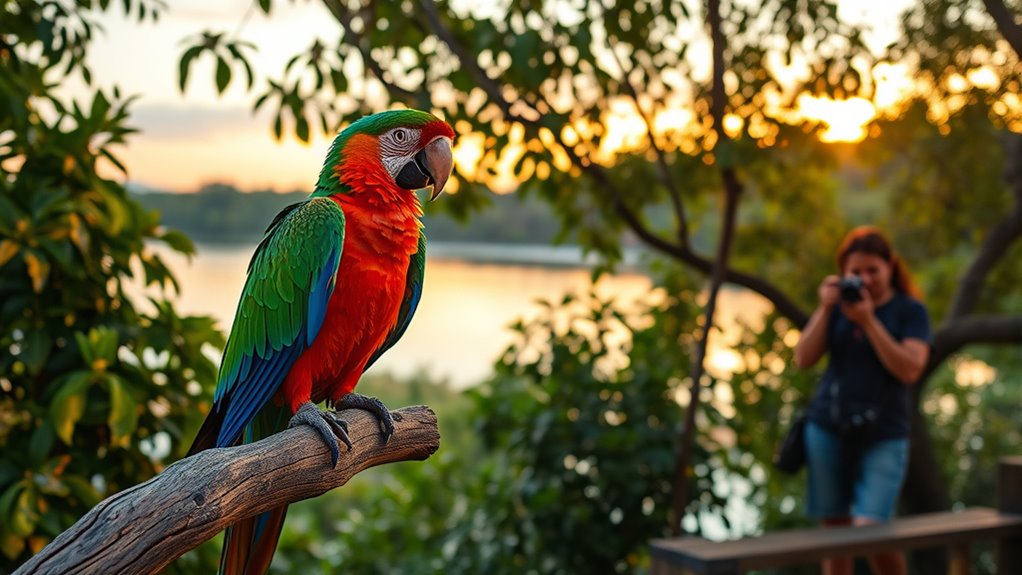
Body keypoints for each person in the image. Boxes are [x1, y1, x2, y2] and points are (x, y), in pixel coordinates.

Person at [793, 226, 932, 575]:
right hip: (829, 426)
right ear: (842, 273)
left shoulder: (909, 311)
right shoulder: (837, 307)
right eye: (856, 272)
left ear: (890, 267)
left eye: (873, 270)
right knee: (835, 533)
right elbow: (803, 358)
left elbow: (910, 369)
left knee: (871, 531)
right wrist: (825, 310)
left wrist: (869, 322)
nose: (865, 279)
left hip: (885, 432)